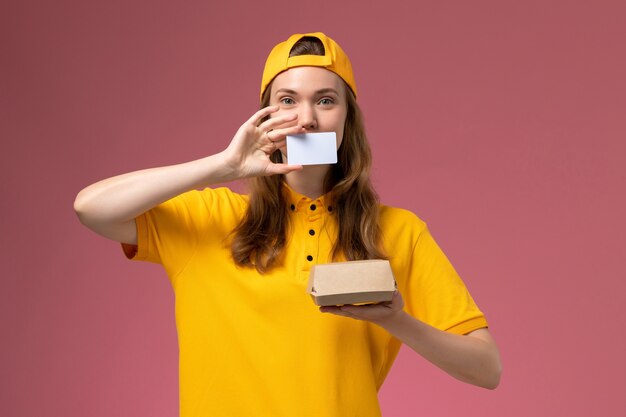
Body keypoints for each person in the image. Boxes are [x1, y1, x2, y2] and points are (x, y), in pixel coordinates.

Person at [74, 32, 501, 417]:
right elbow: (92, 207)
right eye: (288, 101)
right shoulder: (210, 217)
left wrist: (394, 320)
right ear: (264, 117)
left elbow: (485, 369)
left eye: (326, 100)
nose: (307, 119)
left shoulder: (398, 231)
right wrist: (222, 165)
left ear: (348, 120)